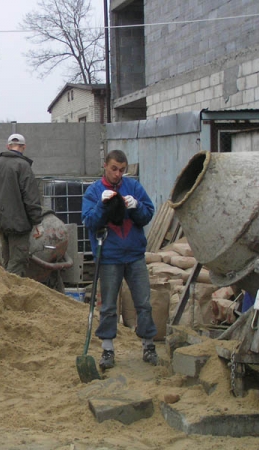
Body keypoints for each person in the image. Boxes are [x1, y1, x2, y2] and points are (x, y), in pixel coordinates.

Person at [81, 150, 159, 370]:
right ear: (105, 165)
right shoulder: (94, 191)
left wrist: (137, 206)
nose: (118, 174)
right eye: (114, 168)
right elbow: (90, 222)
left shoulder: (133, 188)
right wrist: (101, 205)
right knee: (108, 306)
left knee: (143, 303)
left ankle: (148, 345)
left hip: (134, 255)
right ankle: (107, 349)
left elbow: (146, 216)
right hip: (109, 257)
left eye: (122, 170)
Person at [0, 133, 44, 277]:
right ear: (23, 147)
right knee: (17, 263)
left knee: (7, 261)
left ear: (8, 146)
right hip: (18, 225)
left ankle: (5, 288)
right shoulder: (23, 166)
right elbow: (31, 197)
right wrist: (37, 222)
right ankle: (10, 294)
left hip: (0, 222)